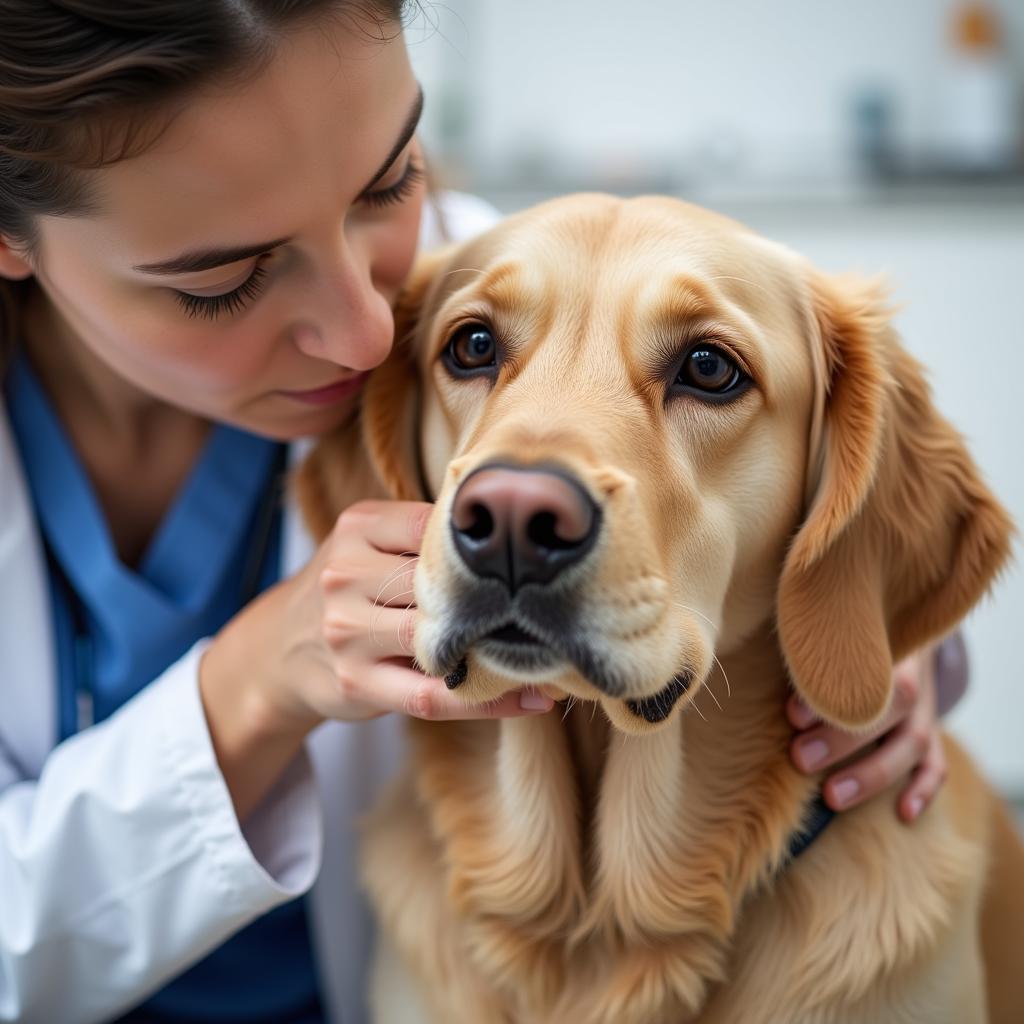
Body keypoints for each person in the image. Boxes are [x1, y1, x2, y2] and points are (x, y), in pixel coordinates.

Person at [0, 3, 967, 1022]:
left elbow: (835, 528)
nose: (369, 324)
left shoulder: (499, 288)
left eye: (388, 182)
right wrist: (251, 685)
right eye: (223, 278)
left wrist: (873, 640)